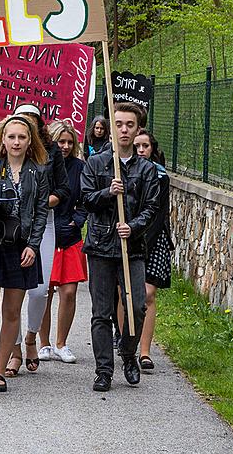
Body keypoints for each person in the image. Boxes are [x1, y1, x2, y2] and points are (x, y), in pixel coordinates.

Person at [81, 102, 160, 392]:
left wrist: (134, 226)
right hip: (101, 245)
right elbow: (86, 199)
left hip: (132, 248)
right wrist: (107, 192)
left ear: (138, 129)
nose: (124, 130)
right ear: (112, 128)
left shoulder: (147, 169)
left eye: (129, 125)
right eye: (119, 124)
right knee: (101, 312)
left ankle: (128, 353)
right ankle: (103, 370)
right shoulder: (96, 163)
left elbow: (152, 207)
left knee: (136, 307)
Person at [0, 115, 49, 394]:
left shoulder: (39, 171)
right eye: (12, 137)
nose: (16, 142)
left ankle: (0, 370)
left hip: (22, 246)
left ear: (30, 142)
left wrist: (34, 245)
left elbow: (41, 212)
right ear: (2, 140)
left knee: (12, 311)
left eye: (22, 137)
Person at [8, 103, 70, 374]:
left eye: (33, 123)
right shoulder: (4, 150)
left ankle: (32, 335)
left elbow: (63, 189)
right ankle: (15, 348)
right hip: (11, 227)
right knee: (12, 291)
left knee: (39, 290)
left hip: (43, 224)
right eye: (23, 123)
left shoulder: (51, 152)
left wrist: (43, 203)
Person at [30, 121, 88, 368]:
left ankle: (61, 343)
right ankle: (43, 343)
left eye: (69, 142)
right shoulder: (43, 165)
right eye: (60, 141)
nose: (64, 146)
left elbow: (86, 197)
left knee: (69, 292)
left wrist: (77, 220)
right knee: (45, 291)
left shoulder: (80, 168)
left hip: (70, 236)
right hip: (46, 233)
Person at [133, 128, 173, 372]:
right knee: (125, 292)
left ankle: (145, 351)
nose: (140, 150)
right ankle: (127, 340)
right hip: (129, 236)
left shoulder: (161, 177)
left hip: (154, 238)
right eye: (137, 146)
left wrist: (146, 234)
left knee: (147, 294)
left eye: (145, 146)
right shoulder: (123, 174)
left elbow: (160, 213)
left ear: (152, 149)